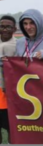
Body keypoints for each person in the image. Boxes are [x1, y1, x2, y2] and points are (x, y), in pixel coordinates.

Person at [0, 15, 17, 144]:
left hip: (9, 93)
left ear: (14, 28)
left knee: (12, 128)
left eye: (8, 27)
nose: (4, 29)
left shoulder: (19, 45)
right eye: (2, 26)